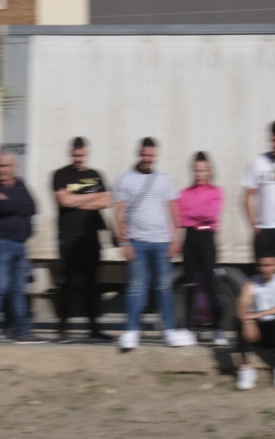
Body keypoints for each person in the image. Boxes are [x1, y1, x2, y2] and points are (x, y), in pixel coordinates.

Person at [114, 137, 189, 350]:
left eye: (151, 156)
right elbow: (118, 213)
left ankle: (169, 331)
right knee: (136, 288)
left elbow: (173, 209)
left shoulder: (164, 179)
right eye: (145, 155)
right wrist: (123, 242)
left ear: (155, 155)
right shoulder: (125, 179)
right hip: (137, 242)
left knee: (165, 288)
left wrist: (176, 239)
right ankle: (131, 331)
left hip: (162, 243)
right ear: (139, 153)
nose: (147, 159)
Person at [51, 137, 113, 342]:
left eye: (81, 155)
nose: (78, 159)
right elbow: (64, 200)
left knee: (92, 284)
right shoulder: (60, 175)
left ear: (86, 153)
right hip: (68, 237)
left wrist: (76, 200)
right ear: (71, 154)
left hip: (90, 237)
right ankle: (62, 329)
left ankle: (95, 328)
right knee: (67, 284)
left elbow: (107, 200)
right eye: (75, 156)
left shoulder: (95, 175)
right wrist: (90, 199)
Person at [0, 151, 42, 344]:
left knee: (19, 290)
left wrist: (9, 202)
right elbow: (0, 208)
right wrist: (16, 204)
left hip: (20, 244)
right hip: (0, 244)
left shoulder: (20, 184)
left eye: (5, 166)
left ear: (14, 167)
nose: (1, 170)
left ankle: (21, 331)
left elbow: (32, 207)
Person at [176, 152, 230, 346]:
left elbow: (210, 213)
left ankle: (218, 330)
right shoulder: (184, 193)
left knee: (210, 284)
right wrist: (196, 216)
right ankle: (190, 329)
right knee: (190, 284)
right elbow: (182, 218)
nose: (199, 173)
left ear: (209, 171)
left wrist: (193, 214)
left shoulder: (216, 192)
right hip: (189, 238)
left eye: (203, 170)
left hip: (207, 238)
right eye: (196, 170)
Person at [234, 254, 275, 390]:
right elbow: (242, 302)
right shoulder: (252, 282)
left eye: (269, 265)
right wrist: (247, 322)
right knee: (240, 319)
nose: (265, 269)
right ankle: (246, 369)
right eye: (262, 265)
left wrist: (258, 314)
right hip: (259, 332)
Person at [243, 120, 275, 264]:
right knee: (264, 274)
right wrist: (253, 225)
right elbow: (247, 196)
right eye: (274, 140)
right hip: (265, 229)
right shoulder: (258, 161)